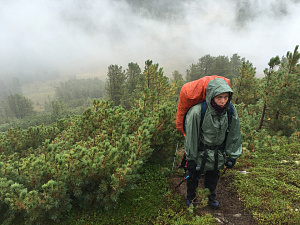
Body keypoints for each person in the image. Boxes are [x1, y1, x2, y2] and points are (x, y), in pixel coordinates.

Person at [184, 78, 242, 208]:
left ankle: (211, 196)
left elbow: (234, 133)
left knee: (213, 175)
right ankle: (191, 197)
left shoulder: (230, 111)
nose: (223, 101)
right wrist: (191, 159)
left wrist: (232, 154)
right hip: (200, 151)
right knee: (194, 175)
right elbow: (191, 137)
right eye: (219, 97)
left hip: (218, 153)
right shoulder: (197, 112)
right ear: (211, 96)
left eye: (226, 97)